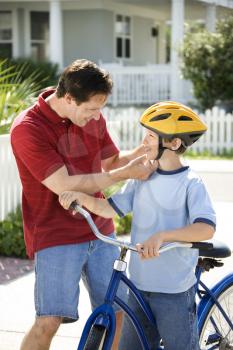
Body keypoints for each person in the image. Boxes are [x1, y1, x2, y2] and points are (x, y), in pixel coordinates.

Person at [10, 59, 157, 350]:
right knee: (49, 319)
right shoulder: (29, 129)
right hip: (55, 235)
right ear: (68, 98)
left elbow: (111, 163)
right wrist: (124, 174)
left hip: (99, 230)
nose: (97, 116)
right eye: (91, 109)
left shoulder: (92, 117)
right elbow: (65, 185)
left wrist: (141, 152)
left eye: (100, 109)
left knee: (117, 313)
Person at [59, 101, 216, 350]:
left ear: (174, 143)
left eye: (151, 136)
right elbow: (109, 208)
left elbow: (205, 228)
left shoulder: (191, 183)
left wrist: (162, 236)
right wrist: (81, 198)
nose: (144, 142)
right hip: (139, 287)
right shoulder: (142, 179)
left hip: (173, 290)